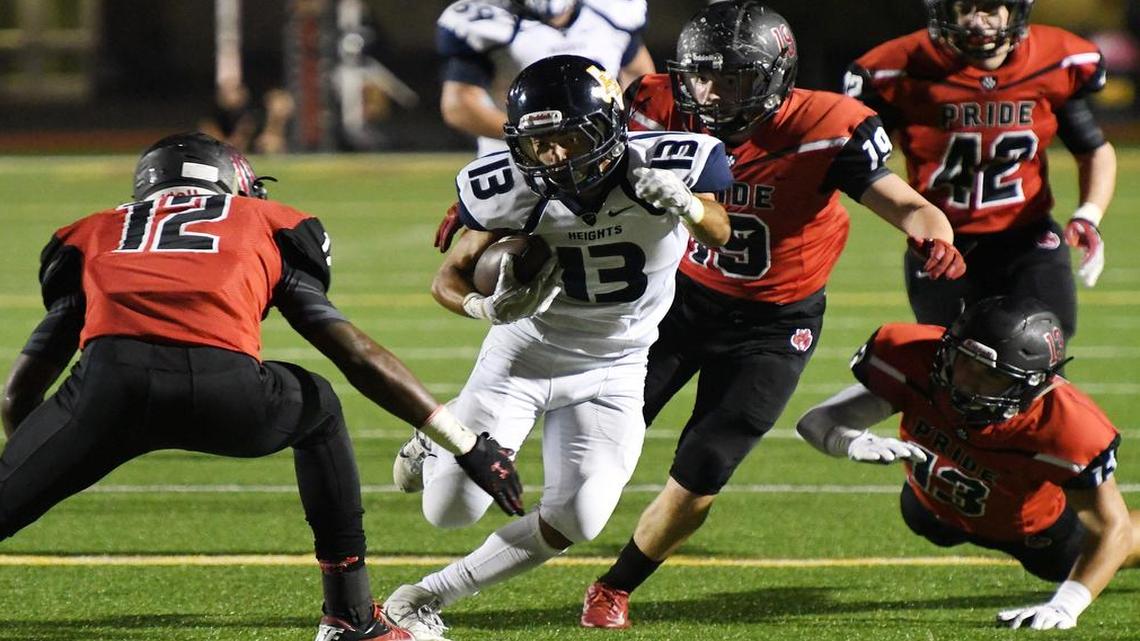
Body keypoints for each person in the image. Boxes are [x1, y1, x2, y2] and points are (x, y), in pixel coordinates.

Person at [0, 132, 523, 641]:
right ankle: (350, 617)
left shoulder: (91, 230)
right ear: (231, 181)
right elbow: (353, 353)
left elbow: (19, 391)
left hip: (105, 391)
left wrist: (48, 454)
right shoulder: (268, 222)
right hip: (226, 389)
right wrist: (466, 444)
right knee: (318, 407)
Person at [575, 1, 963, 629]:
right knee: (600, 432)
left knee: (703, 468)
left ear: (776, 75)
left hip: (774, 323)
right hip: (680, 299)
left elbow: (908, 203)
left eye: (733, 78)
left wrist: (934, 235)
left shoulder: (829, 124)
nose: (712, 93)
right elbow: (570, 156)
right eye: (702, 76)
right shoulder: (652, 100)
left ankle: (615, 586)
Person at [382, 55, 732, 640]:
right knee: (448, 510)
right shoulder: (507, 188)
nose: (556, 157)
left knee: (581, 515)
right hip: (524, 355)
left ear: (610, 126)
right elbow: (449, 277)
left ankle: (423, 597)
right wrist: (483, 307)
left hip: (618, 363)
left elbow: (719, 230)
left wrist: (689, 205)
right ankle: (432, 441)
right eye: (540, 143)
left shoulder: (676, 162)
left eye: (569, 137)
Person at [796, 295, 1140, 630]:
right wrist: (849, 439)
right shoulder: (916, 358)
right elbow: (816, 422)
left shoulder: (1068, 427)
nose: (967, 381)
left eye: (991, 375)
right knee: (925, 520)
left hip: (1036, 531)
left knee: (1092, 557)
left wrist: (1067, 604)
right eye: (964, 361)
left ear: (1029, 384)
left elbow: (1113, 528)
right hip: (930, 509)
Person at [844, 0, 1115, 338]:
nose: (976, 20)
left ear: (1014, 10)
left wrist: (1088, 215)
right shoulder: (896, 68)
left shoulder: (1057, 58)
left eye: (989, 7)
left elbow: (1093, 150)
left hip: (1026, 236)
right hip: (943, 242)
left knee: (1043, 349)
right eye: (964, 7)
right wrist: (915, 222)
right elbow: (860, 167)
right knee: (951, 363)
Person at [435, 0, 655, 157]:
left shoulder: (611, 12)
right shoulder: (486, 20)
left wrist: (630, 132)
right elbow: (458, 106)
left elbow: (640, 79)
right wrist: (529, 136)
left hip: (602, 153)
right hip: (519, 158)